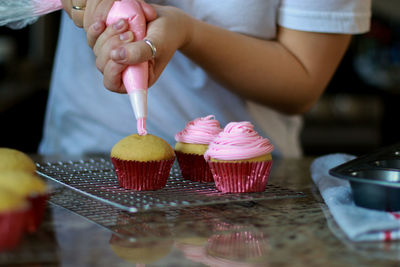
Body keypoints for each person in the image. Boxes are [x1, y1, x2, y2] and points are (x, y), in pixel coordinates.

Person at [39, 0, 371, 158]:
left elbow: (303, 80)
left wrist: (189, 33)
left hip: (238, 177)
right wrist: (82, 5)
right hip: (79, 157)